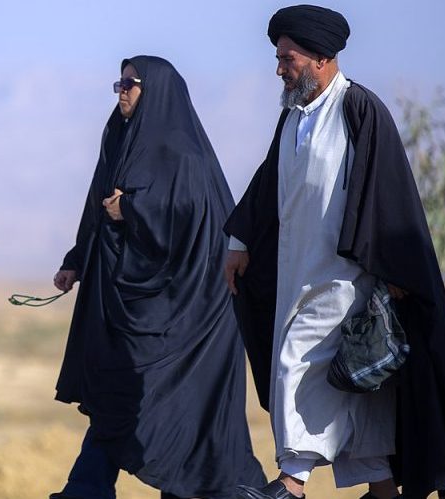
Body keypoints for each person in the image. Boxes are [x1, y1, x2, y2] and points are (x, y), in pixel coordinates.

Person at [223, 5, 445, 499]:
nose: (279, 68)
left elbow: (390, 195)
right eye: (278, 58)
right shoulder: (294, 118)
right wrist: (239, 242)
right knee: (356, 392)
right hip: (295, 271)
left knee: (294, 362)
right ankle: (384, 490)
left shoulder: (358, 109)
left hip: (346, 277)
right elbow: (266, 186)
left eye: (288, 58)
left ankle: (291, 482)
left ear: (322, 58)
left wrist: (393, 269)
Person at [50, 55, 267, 499]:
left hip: (193, 311)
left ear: (159, 91)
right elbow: (98, 200)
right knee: (118, 394)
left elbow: (195, 220)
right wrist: (76, 259)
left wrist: (130, 209)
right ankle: (85, 490)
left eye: (131, 84)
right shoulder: (119, 137)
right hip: (134, 309)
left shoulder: (184, 155)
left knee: (179, 411)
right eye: (119, 83)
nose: (122, 91)